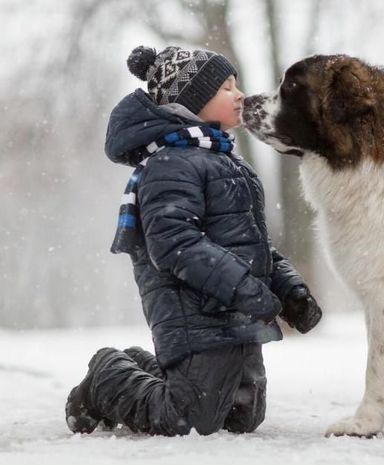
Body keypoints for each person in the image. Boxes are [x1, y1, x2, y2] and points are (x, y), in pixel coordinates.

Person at [65, 45, 322, 436]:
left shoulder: (229, 162)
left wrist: (290, 290)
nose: (239, 95)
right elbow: (174, 243)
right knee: (185, 418)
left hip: (236, 313)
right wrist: (244, 289)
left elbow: (253, 243)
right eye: (225, 88)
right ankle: (106, 376)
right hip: (192, 312)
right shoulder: (170, 164)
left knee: (242, 417)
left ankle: (147, 368)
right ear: (191, 102)